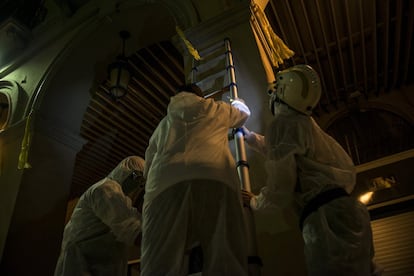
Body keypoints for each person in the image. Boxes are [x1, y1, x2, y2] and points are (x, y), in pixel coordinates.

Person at [242, 65, 380, 276]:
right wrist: (251, 138)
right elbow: (288, 152)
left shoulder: (284, 124)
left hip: (324, 218)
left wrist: (254, 202)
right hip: (350, 212)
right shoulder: (307, 125)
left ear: (281, 92)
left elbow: (281, 185)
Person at [141, 84, 250, 276]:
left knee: (160, 264)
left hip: (163, 186)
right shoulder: (216, 108)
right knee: (225, 258)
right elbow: (243, 115)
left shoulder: (163, 126)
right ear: (201, 96)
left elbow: (148, 165)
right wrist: (237, 102)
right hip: (214, 177)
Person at [54, 156, 145, 276]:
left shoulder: (123, 200)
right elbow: (130, 226)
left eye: (141, 182)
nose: (137, 184)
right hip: (82, 266)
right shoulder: (106, 189)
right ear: (124, 171)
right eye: (135, 177)